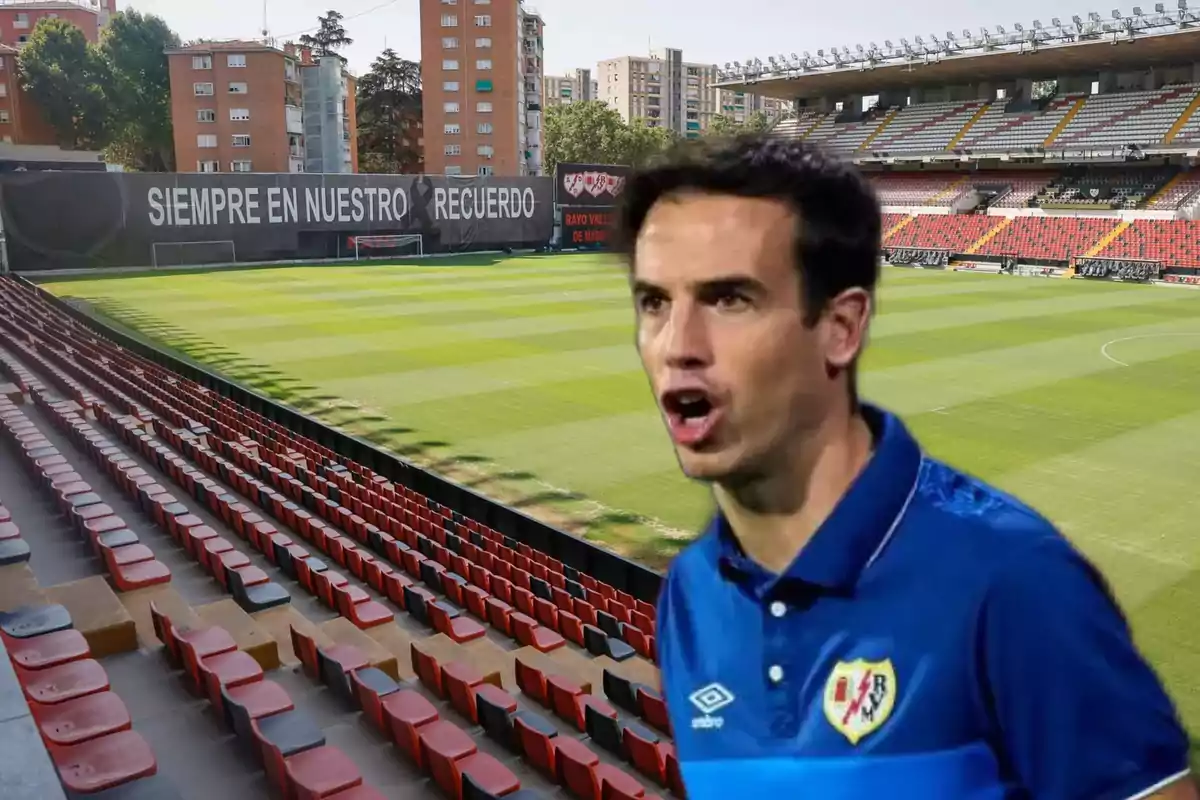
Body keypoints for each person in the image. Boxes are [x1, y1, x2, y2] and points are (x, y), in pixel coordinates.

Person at [614, 135, 1194, 800]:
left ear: (840, 327)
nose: (676, 346)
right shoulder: (690, 595)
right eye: (654, 302)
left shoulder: (1014, 582)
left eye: (730, 299)